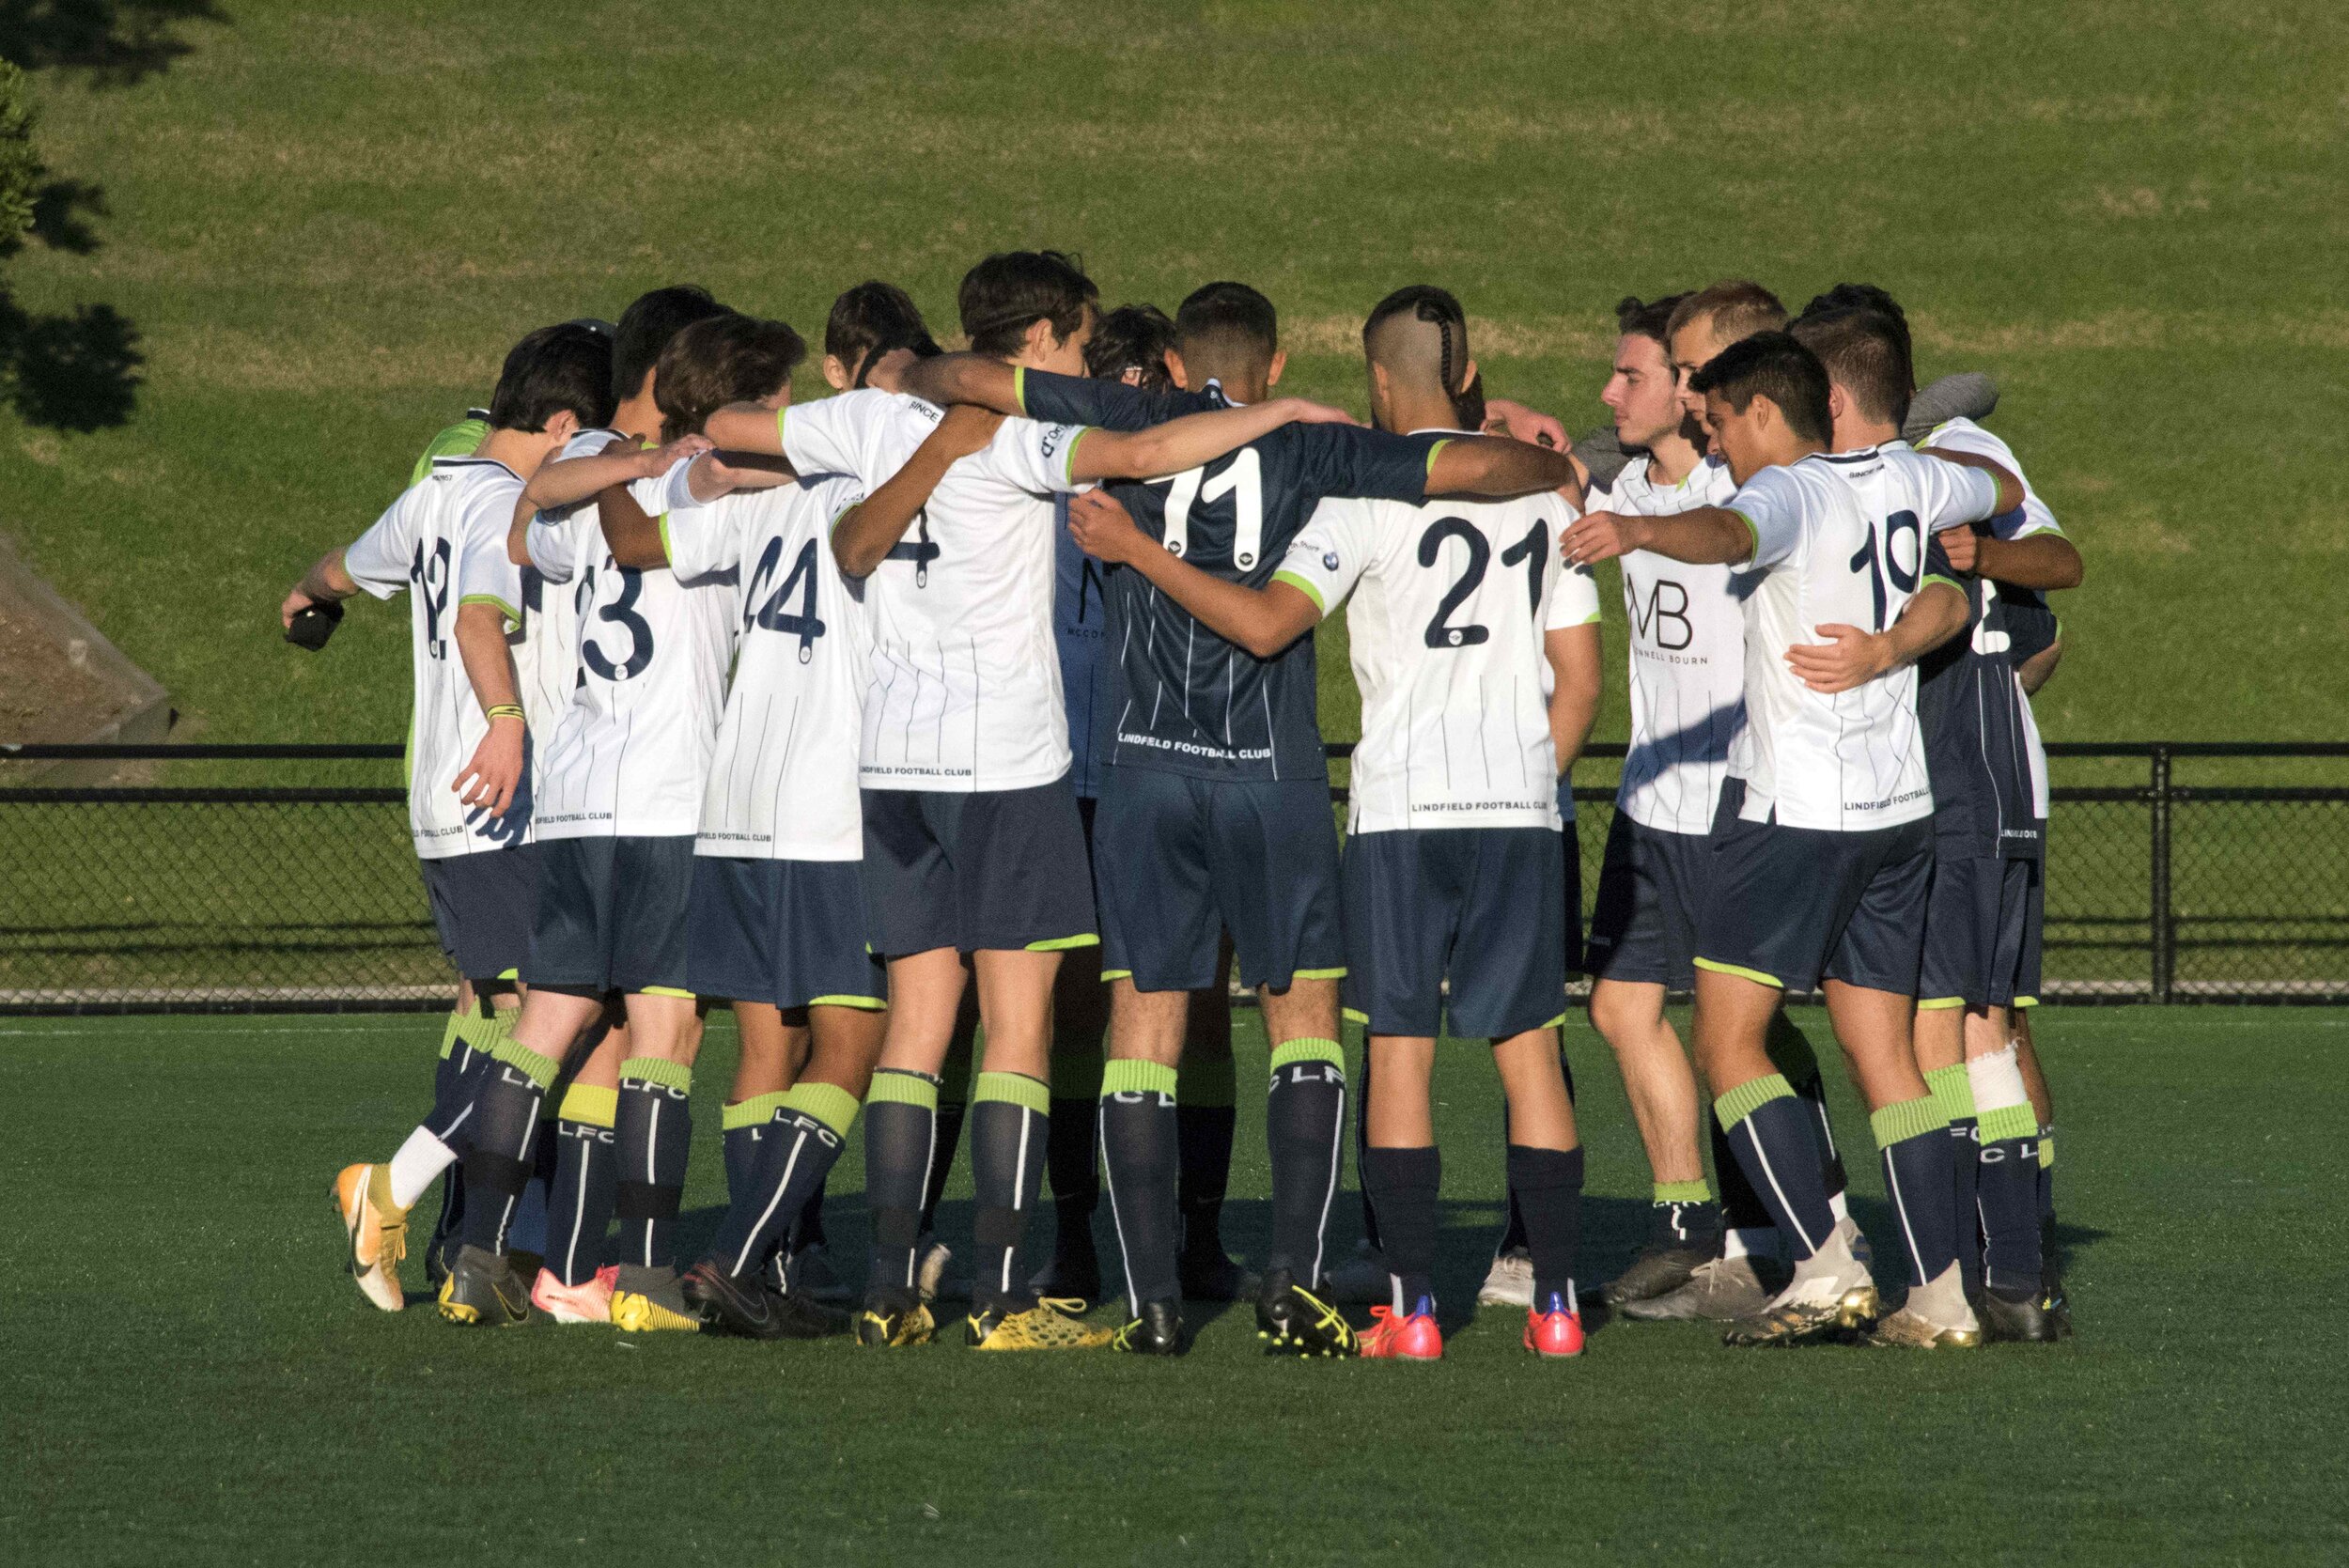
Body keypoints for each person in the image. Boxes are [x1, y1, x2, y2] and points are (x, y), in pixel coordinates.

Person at [707, 253, 1367, 1352]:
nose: (1081, 364)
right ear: (1047, 340)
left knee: (917, 1027)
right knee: (1017, 1027)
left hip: (890, 766)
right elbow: (1152, 446)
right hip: (1004, 765)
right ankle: (1009, 1295)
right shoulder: (1020, 435)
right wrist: (1280, 413)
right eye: (1076, 344)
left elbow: (734, 423)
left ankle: (886, 1285)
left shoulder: (869, 418)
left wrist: (896, 407)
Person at [916, 280, 1591, 1354]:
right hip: (1271, 777)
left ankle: (1151, 1306)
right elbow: (1468, 465)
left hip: (1143, 771)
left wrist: (927, 383)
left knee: (1145, 1025)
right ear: (1276, 367)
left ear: (1175, 368)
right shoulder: (1319, 457)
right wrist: (1555, 463)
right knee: (1304, 1021)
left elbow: (953, 377)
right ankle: (1297, 1279)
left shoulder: (1122, 423)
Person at [1563, 330, 2021, 1348]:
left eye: (1721, 420)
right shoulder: (1914, 476)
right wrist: (1903, 630)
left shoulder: (1790, 491)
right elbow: (1990, 489)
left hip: (1794, 817)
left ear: (1768, 413)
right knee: (1885, 1058)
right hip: (1897, 814)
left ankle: (1826, 1262)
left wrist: (1638, 535)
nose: (1718, 440)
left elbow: (1725, 534)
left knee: (1727, 1044)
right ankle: (1942, 1295)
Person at [298, 322, 614, 1313]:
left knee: (504, 1017)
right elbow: (482, 620)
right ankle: (393, 1189)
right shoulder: (496, 507)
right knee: (552, 1020)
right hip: (496, 795)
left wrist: (301, 599)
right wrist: (510, 724)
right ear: (561, 421)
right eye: (591, 434)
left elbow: (339, 569)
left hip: (442, 801)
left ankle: (484, 1251)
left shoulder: (436, 487)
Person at [1027, 302, 1250, 1305]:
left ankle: (1196, 1235)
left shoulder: (1202, 474)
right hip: (1069, 774)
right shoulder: (1039, 475)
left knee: (1199, 1008)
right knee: (1074, 1014)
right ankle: (1074, 1233)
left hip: (1177, 770)